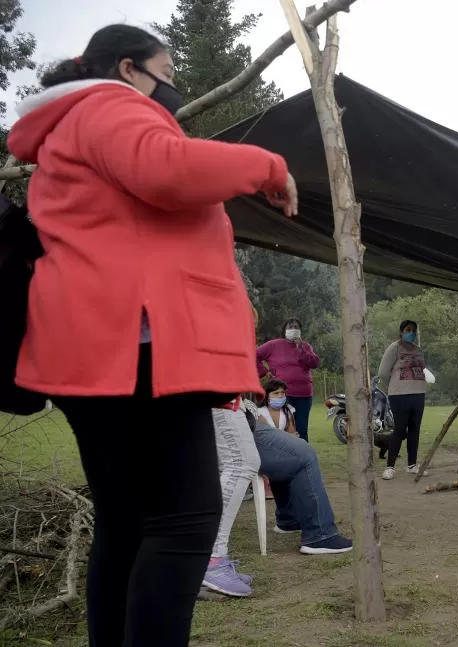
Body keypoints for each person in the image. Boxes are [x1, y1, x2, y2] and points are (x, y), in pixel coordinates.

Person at [5, 25, 298, 647]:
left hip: (90, 348)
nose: (172, 88)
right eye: (166, 74)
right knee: (184, 523)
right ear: (129, 69)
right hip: (135, 348)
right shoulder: (109, 105)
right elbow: (166, 169)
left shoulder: (70, 124)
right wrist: (267, 165)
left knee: (128, 524)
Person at [246, 402, 353, 555]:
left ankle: (289, 519)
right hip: (233, 424)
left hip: (241, 420)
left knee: (290, 449)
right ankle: (320, 535)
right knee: (303, 455)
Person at [203, 399, 261, 598]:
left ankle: (201, 559)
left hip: (216, 391)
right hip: (218, 391)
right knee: (241, 463)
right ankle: (212, 559)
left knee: (222, 466)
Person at [379, 320, 428, 480]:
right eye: (408, 330)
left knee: (415, 429)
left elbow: (422, 368)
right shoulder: (394, 348)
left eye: (414, 330)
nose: (411, 333)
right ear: (401, 332)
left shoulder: (418, 350)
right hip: (399, 395)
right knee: (400, 429)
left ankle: (412, 465)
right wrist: (396, 384)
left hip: (418, 393)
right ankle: (390, 467)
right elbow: (383, 372)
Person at [257, 318, 320, 442]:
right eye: (290, 327)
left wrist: (301, 348)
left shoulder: (305, 346)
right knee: (282, 427)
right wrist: (264, 371)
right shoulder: (273, 345)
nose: (293, 329)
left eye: (296, 327)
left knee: (301, 430)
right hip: (281, 394)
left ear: (300, 330)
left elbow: (315, 363)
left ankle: (302, 453)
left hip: (304, 395)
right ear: (284, 330)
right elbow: (255, 355)